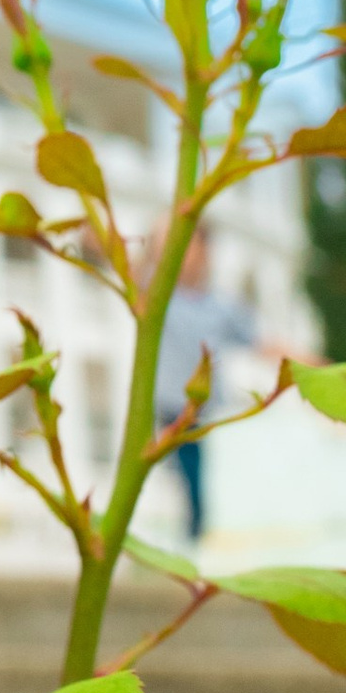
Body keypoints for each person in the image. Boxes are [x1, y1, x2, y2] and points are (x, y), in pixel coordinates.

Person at [151, 231, 257, 538]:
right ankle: (189, 534)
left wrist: (312, 361)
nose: (188, 257)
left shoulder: (220, 306)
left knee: (198, 483)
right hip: (168, 405)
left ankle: (194, 537)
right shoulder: (157, 292)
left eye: (195, 249)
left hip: (203, 411)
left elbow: (260, 339)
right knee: (182, 478)